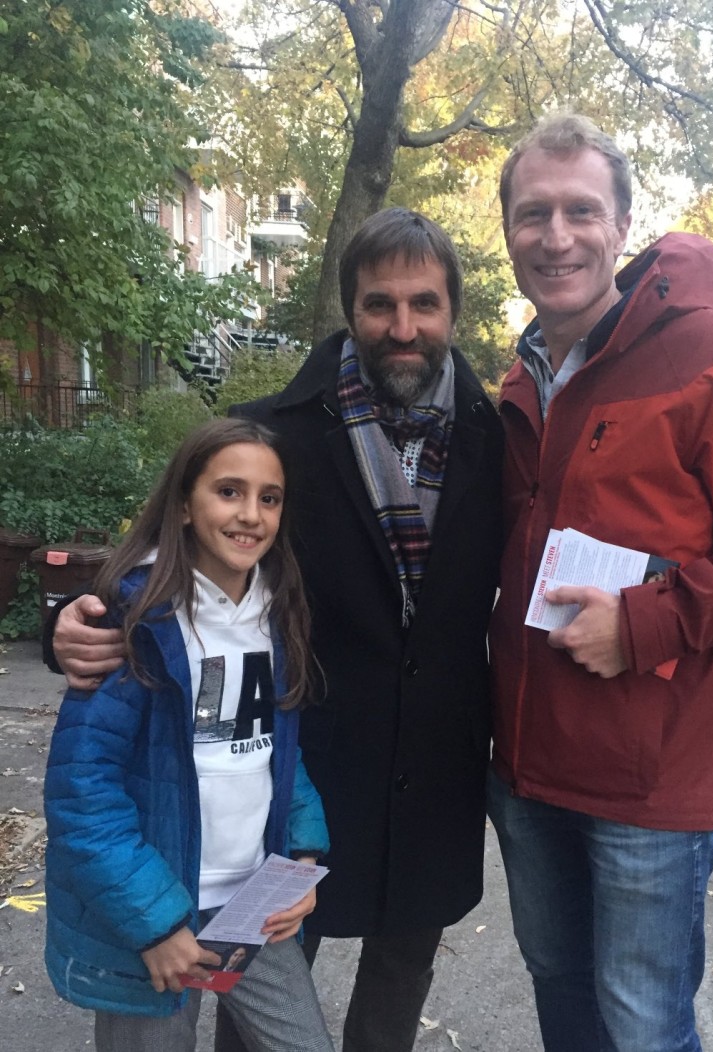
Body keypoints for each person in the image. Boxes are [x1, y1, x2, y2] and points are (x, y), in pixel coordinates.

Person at [45, 208, 504, 1052]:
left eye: (424, 304)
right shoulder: (276, 434)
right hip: (305, 755)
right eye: (379, 304)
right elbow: (165, 556)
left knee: (401, 965)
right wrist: (66, 623)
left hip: (436, 763)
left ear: (452, 312)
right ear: (350, 310)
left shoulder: (496, 439)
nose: (403, 327)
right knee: (260, 971)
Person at [486, 113, 713, 1052]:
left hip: (646, 783)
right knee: (560, 991)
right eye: (532, 214)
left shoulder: (711, 354)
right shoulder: (521, 380)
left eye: (579, 211)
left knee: (643, 1024)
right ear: (508, 232)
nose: (555, 236)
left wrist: (646, 624)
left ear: (621, 226)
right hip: (525, 767)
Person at [43, 418, 334, 1052]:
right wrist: (154, 925)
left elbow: (277, 752)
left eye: (269, 498)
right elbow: (82, 793)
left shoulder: (278, 613)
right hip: (156, 910)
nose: (250, 514)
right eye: (229, 491)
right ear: (182, 504)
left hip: (254, 905)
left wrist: (303, 855)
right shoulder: (135, 622)